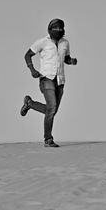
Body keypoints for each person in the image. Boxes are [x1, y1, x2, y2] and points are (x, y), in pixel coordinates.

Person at [20, 18, 77, 147]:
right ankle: (48, 139)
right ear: (50, 29)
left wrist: (71, 61)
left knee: (53, 110)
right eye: (56, 28)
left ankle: (30, 103)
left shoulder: (65, 43)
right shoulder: (42, 42)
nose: (59, 30)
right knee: (51, 108)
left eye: (61, 28)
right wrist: (32, 70)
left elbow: (65, 58)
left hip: (60, 79)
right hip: (46, 78)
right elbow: (27, 55)